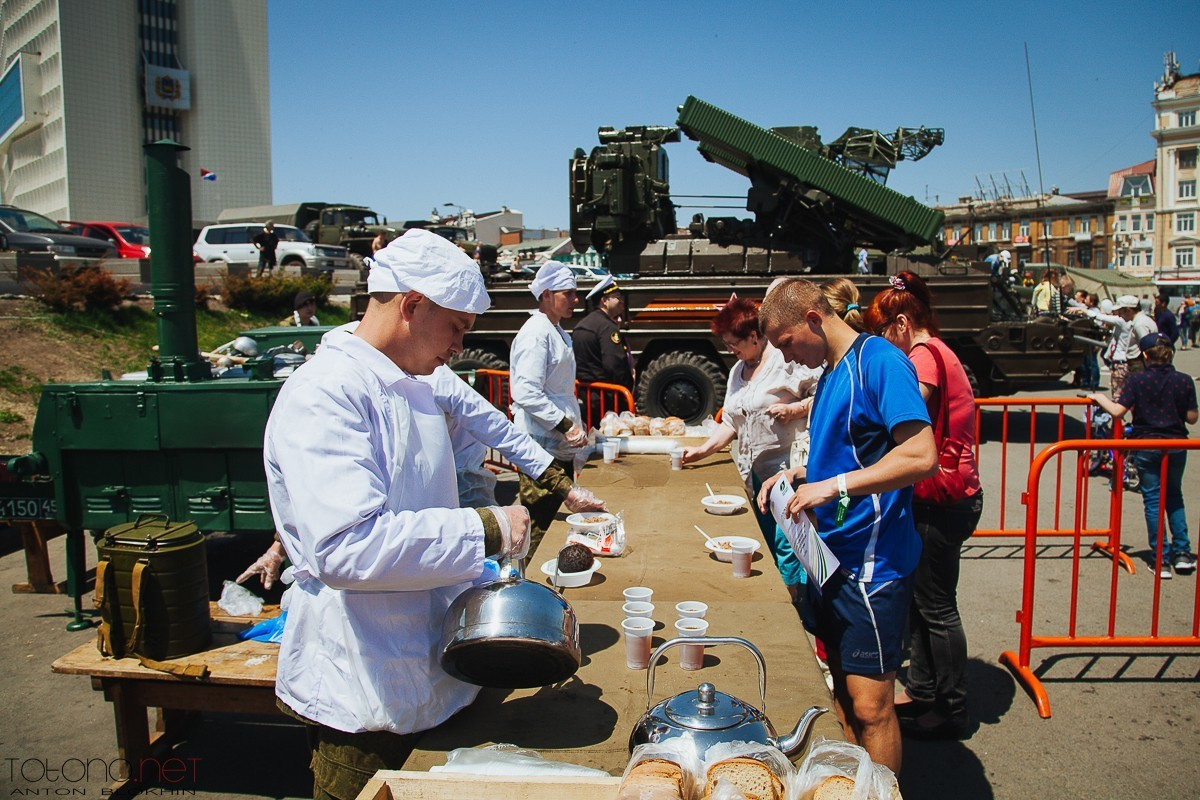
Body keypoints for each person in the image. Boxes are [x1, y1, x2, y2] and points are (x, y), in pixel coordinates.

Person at [263, 229, 532, 800]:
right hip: (364, 692)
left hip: (433, 669)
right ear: (411, 306)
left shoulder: (413, 382)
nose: (459, 346)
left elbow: (425, 499)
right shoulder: (326, 393)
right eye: (457, 328)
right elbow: (348, 547)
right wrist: (486, 529)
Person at [756, 278, 937, 773]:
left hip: (871, 568)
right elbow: (851, 452)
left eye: (787, 344)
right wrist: (795, 476)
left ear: (814, 319)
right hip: (831, 558)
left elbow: (921, 455)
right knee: (843, 695)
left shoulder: (879, 361)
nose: (789, 360)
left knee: (872, 708)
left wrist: (831, 487)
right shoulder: (833, 370)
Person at [863, 272, 983, 740]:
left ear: (901, 322)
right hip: (950, 493)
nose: (881, 341)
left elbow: (907, 410)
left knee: (936, 606)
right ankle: (925, 690)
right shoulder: (940, 350)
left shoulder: (922, 356)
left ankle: (951, 709)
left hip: (940, 497)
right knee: (924, 600)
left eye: (883, 331)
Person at [680, 297, 818, 600]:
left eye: (734, 344)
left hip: (789, 474)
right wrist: (701, 451)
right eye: (727, 345)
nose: (731, 351)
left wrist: (795, 411)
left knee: (788, 546)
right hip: (757, 475)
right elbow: (730, 421)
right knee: (766, 541)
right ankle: (777, 597)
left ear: (754, 336)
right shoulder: (737, 372)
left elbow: (822, 393)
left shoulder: (784, 361)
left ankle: (793, 605)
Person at [1088, 333, 1198, 579]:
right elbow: (1192, 417)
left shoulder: (1138, 380)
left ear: (1145, 356)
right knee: (1175, 497)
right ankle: (1183, 553)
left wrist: (1098, 398)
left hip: (1148, 444)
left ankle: (1161, 558)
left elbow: (1117, 411)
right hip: (1177, 445)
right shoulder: (1184, 380)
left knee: (1153, 500)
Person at [510, 261, 588, 554]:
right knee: (542, 518)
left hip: (553, 440)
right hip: (540, 441)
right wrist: (565, 425)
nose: (574, 300)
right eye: (567, 293)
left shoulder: (554, 330)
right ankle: (530, 579)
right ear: (546, 295)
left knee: (552, 515)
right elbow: (527, 392)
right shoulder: (536, 333)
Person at [572, 275, 635, 428]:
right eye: (617, 298)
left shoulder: (583, 324)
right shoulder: (607, 327)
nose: (621, 302)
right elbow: (614, 365)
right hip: (608, 399)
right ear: (604, 301)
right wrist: (627, 390)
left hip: (586, 395)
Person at [1088, 295, 1141, 397]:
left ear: (1128, 310)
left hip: (1120, 362)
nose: (1118, 314)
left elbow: (1100, 317)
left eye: (1120, 311)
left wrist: (1084, 311)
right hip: (1127, 361)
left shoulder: (1122, 321)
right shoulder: (1133, 322)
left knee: (1118, 396)